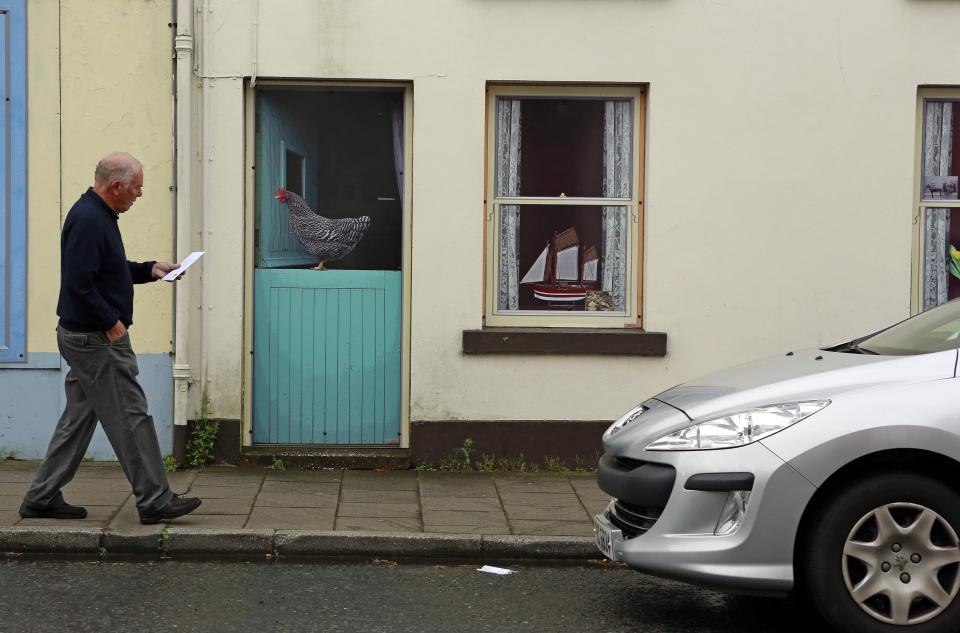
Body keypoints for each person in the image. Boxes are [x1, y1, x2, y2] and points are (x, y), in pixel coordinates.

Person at [19, 152, 201, 525]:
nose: (138, 195)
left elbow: (107, 271)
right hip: (95, 339)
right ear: (116, 186)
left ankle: (41, 496)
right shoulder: (89, 220)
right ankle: (154, 499)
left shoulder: (98, 215)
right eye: (136, 189)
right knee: (131, 416)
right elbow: (78, 284)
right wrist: (111, 323)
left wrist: (150, 269)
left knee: (79, 419)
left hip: (84, 337)